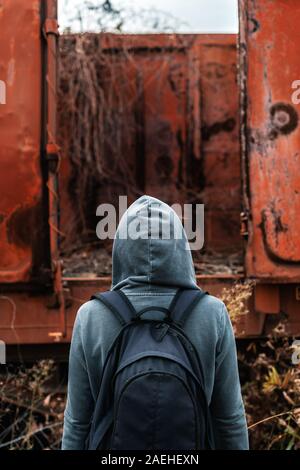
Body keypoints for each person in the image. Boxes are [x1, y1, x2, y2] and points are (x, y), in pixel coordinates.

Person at [62, 195, 249, 450]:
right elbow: (229, 420)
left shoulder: (91, 316)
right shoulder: (212, 313)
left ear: (121, 249)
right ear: (181, 247)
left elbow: (78, 424)